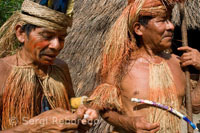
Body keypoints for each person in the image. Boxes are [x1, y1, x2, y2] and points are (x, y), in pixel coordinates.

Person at [89, 0, 200, 132]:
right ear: (138, 29)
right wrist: (128, 123)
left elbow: (194, 107)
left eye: (169, 20)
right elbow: (105, 109)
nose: (171, 26)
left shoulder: (179, 62)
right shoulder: (119, 66)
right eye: (162, 20)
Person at [0, 0, 98, 132]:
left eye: (62, 38)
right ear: (21, 33)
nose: (56, 46)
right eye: (47, 36)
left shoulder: (60, 68)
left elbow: (69, 104)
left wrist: (80, 115)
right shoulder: (3, 71)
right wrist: (34, 127)